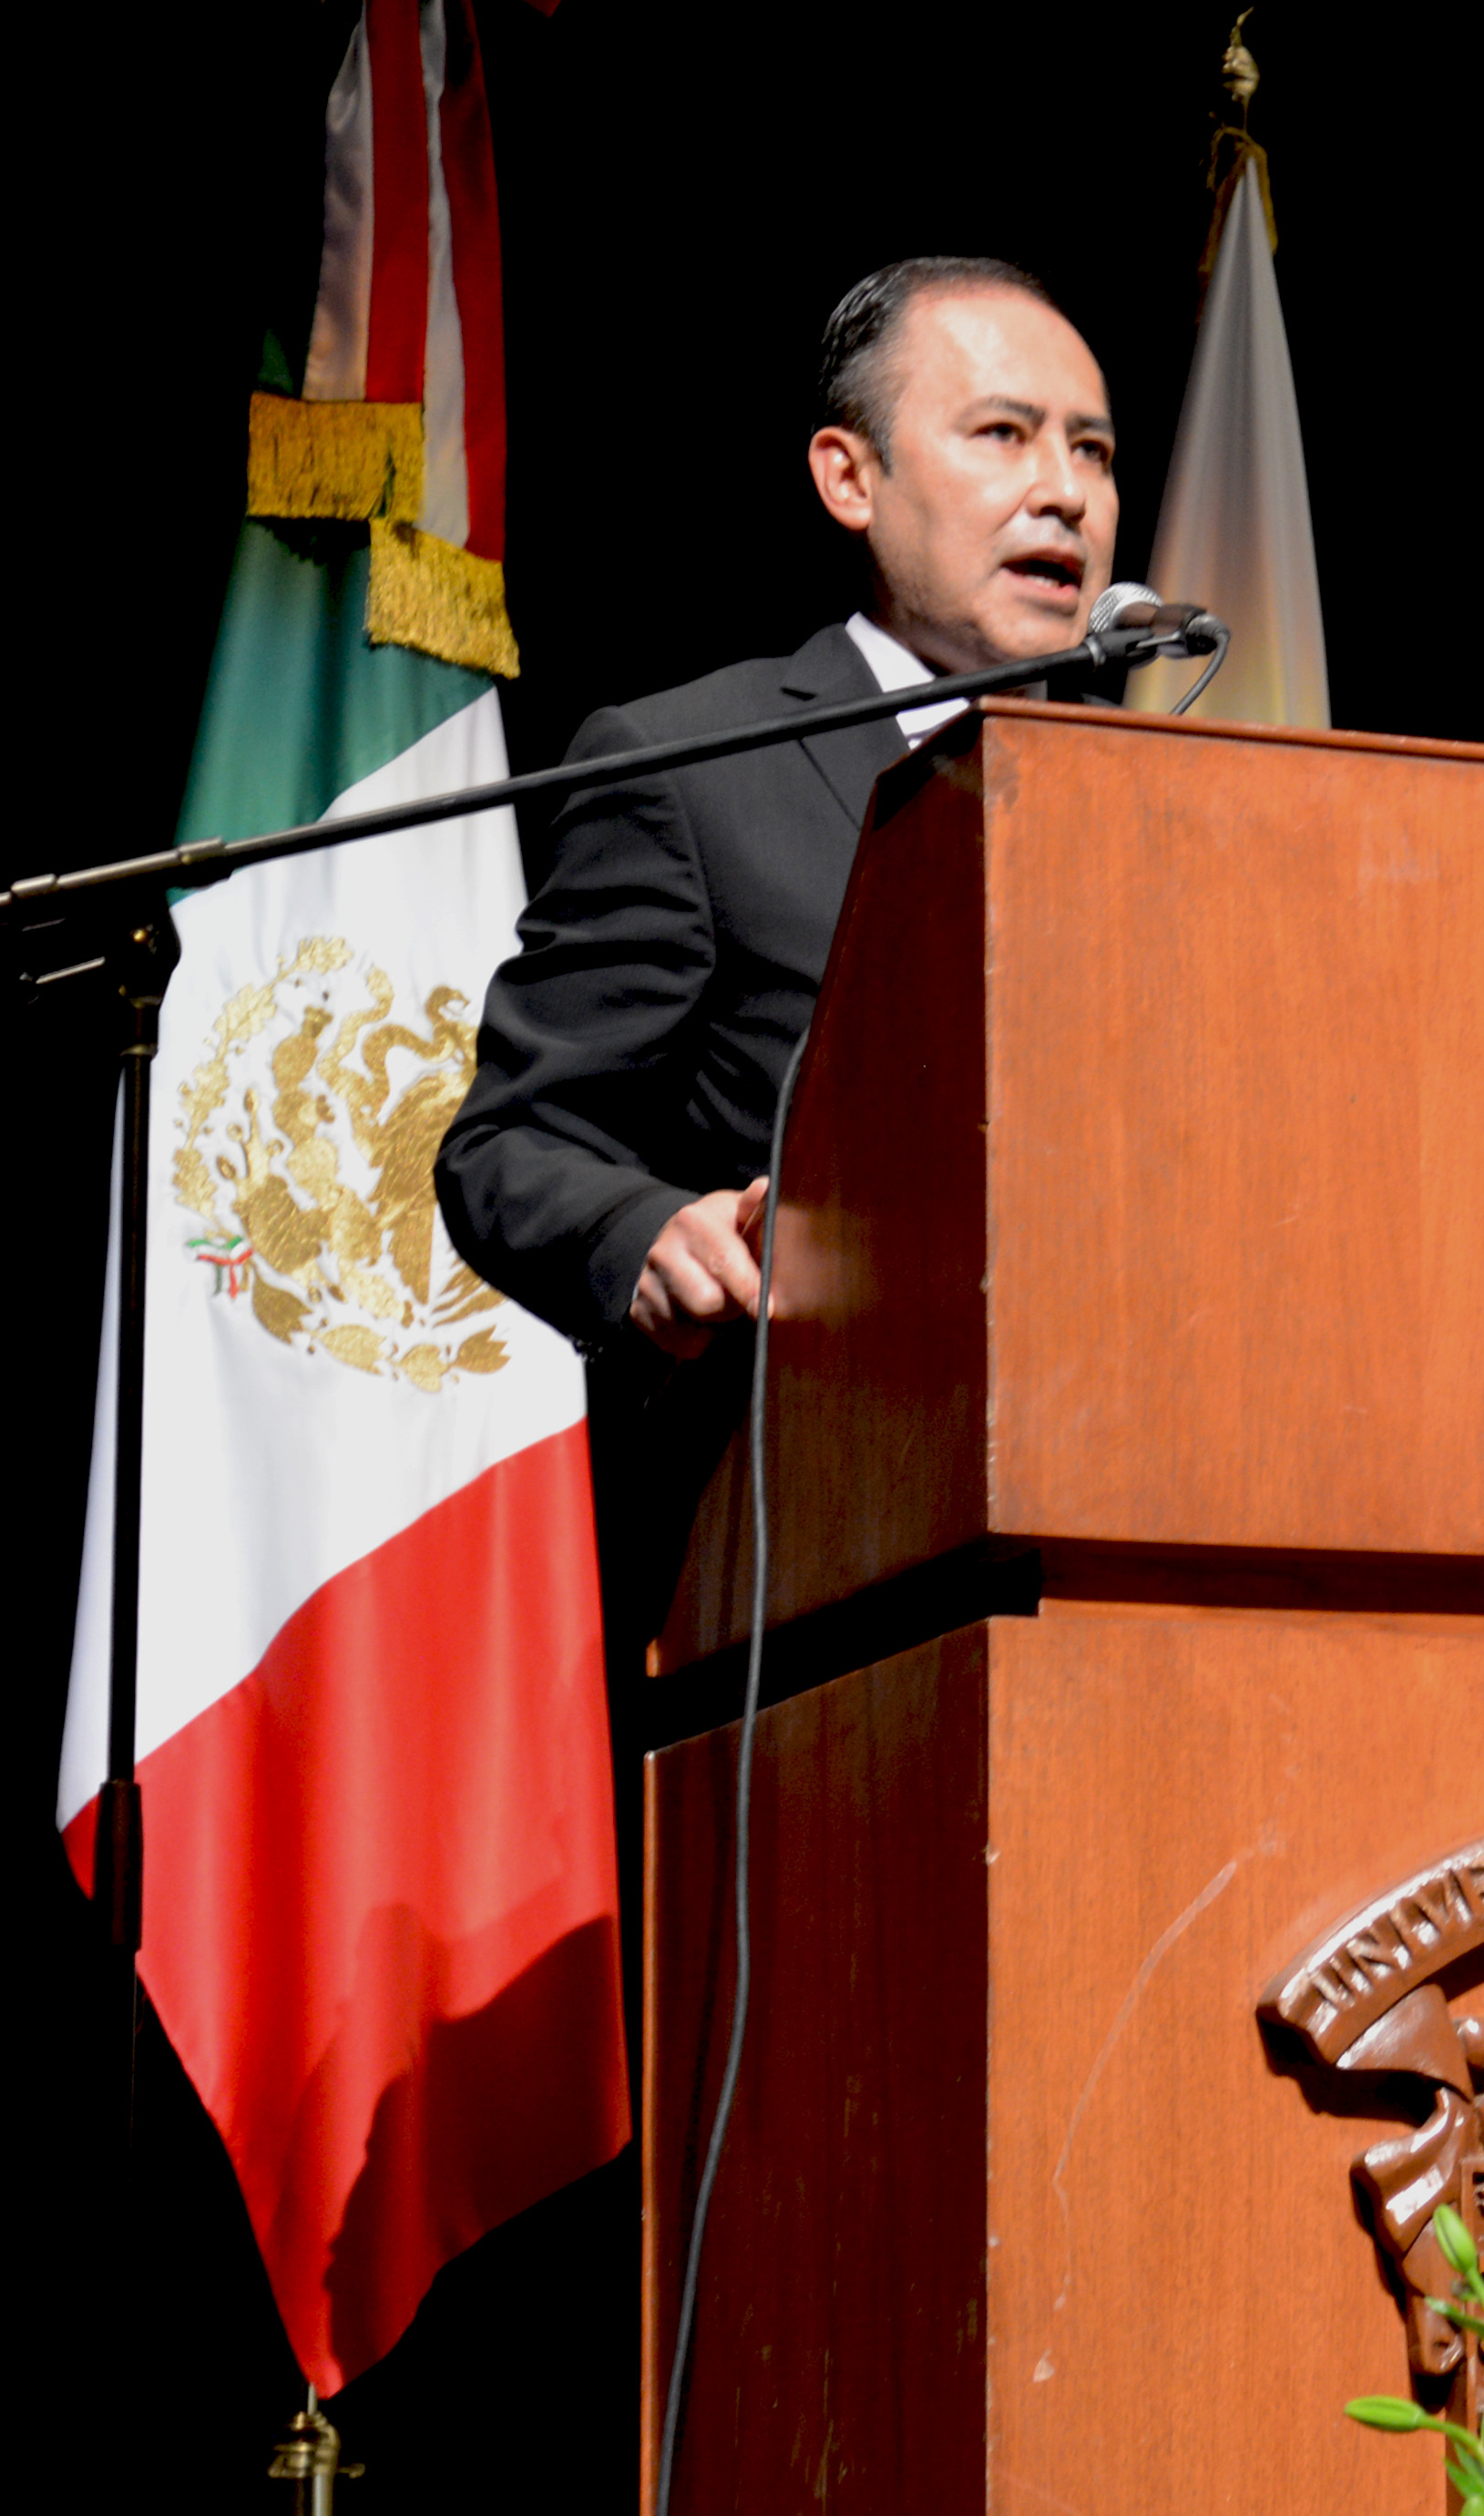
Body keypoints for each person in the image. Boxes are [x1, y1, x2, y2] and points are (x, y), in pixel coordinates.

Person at [435, 253, 1120, 1637]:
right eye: (1003, 435)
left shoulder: (1166, 810)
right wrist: (646, 1233)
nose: (1065, 491)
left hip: (1132, 1530)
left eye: (1093, 450)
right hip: (830, 1565)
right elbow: (506, 1144)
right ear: (848, 479)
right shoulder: (692, 767)